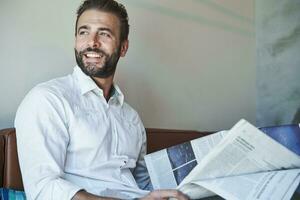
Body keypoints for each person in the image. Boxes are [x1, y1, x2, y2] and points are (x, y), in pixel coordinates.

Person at [15, 0, 189, 199]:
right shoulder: (48, 100)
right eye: (84, 32)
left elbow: (140, 184)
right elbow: (44, 190)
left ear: (123, 48)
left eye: (104, 33)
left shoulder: (131, 118)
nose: (92, 42)